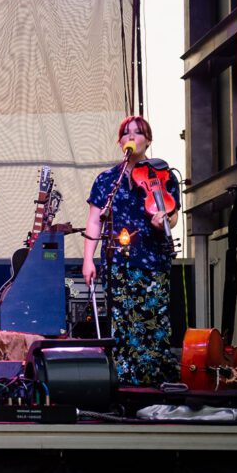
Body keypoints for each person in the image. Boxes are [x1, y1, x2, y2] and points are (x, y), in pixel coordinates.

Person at [82, 115, 180, 386]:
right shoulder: (106, 180)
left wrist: (164, 222)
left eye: (138, 133)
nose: (132, 138)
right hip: (118, 262)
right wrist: (87, 259)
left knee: (154, 321)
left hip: (153, 259)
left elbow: (173, 216)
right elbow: (93, 220)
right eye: (126, 134)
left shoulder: (164, 176)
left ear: (148, 140)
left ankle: (156, 380)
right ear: (120, 142)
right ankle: (125, 381)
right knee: (123, 323)